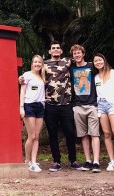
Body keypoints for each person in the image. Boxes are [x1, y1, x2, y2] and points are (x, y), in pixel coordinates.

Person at [20, 41, 81, 171]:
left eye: (58, 48)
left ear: (61, 50)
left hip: (66, 104)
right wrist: (21, 79)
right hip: (49, 105)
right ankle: (56, 161)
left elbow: (83, 65)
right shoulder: (44, 65)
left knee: (70, 132)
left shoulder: (68, 62)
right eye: (53, 48)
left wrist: (111, 70)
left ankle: (73, 160)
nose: (55, 50)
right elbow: (32, 74)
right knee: (52, 134)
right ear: (49, 51)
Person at [70, 44, 101, 173]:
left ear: (83, 54)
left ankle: (96, 162)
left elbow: (103, 69)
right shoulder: (70, 69)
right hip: (78, 106)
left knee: (94, 134)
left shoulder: (91, 66)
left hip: (92, 104)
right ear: (73, 56)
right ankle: (88, 161)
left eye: (79, 53)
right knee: (83, 135)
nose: (77, 55)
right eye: (75, 53)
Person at [20, 54, 46, 172]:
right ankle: (27, 160)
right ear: (32, 63)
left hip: (40, 106)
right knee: (31, 136)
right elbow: (22, 91)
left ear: (42, 64)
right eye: (35, 62)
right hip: (29, 105)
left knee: (37, 136)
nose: (37, 64)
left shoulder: (42, 76)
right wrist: (21, 107)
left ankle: (34, 161)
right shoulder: (27, 75)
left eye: (39, 62)